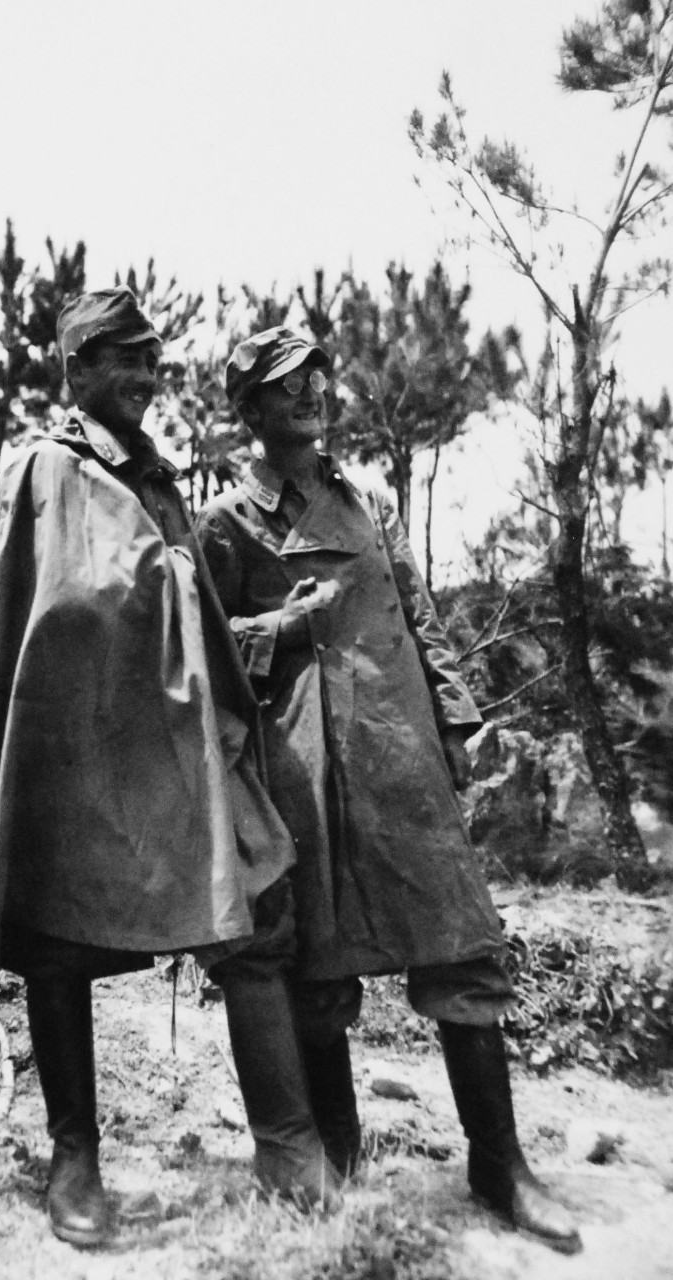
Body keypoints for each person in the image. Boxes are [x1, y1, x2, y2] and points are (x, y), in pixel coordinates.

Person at [0, 292, 336, 1249]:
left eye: (151, 360)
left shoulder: (159, 477)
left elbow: (189, 596)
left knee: (253, 908)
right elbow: (23, 615)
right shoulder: (46, 468)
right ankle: (74, 1163)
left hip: (176, 739)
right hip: (75, 745)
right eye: (123, 360)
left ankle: (288, 1146)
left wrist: (212, 618)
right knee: (58, 945)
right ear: (77, 367)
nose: (143, 377)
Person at [193, 326, 582, 1255]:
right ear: (247, 410)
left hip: (397, 754)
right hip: (302, 772)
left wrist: (458, 721)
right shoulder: (226, 522)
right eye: (286, 384)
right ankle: (337, 1160)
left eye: (317, 376)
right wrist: (276, 629)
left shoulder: (363, 503)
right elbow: (203, 653)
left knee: (460, 946)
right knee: (317, 970)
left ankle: (498, 1165)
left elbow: (420, 615)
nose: (311, 392)